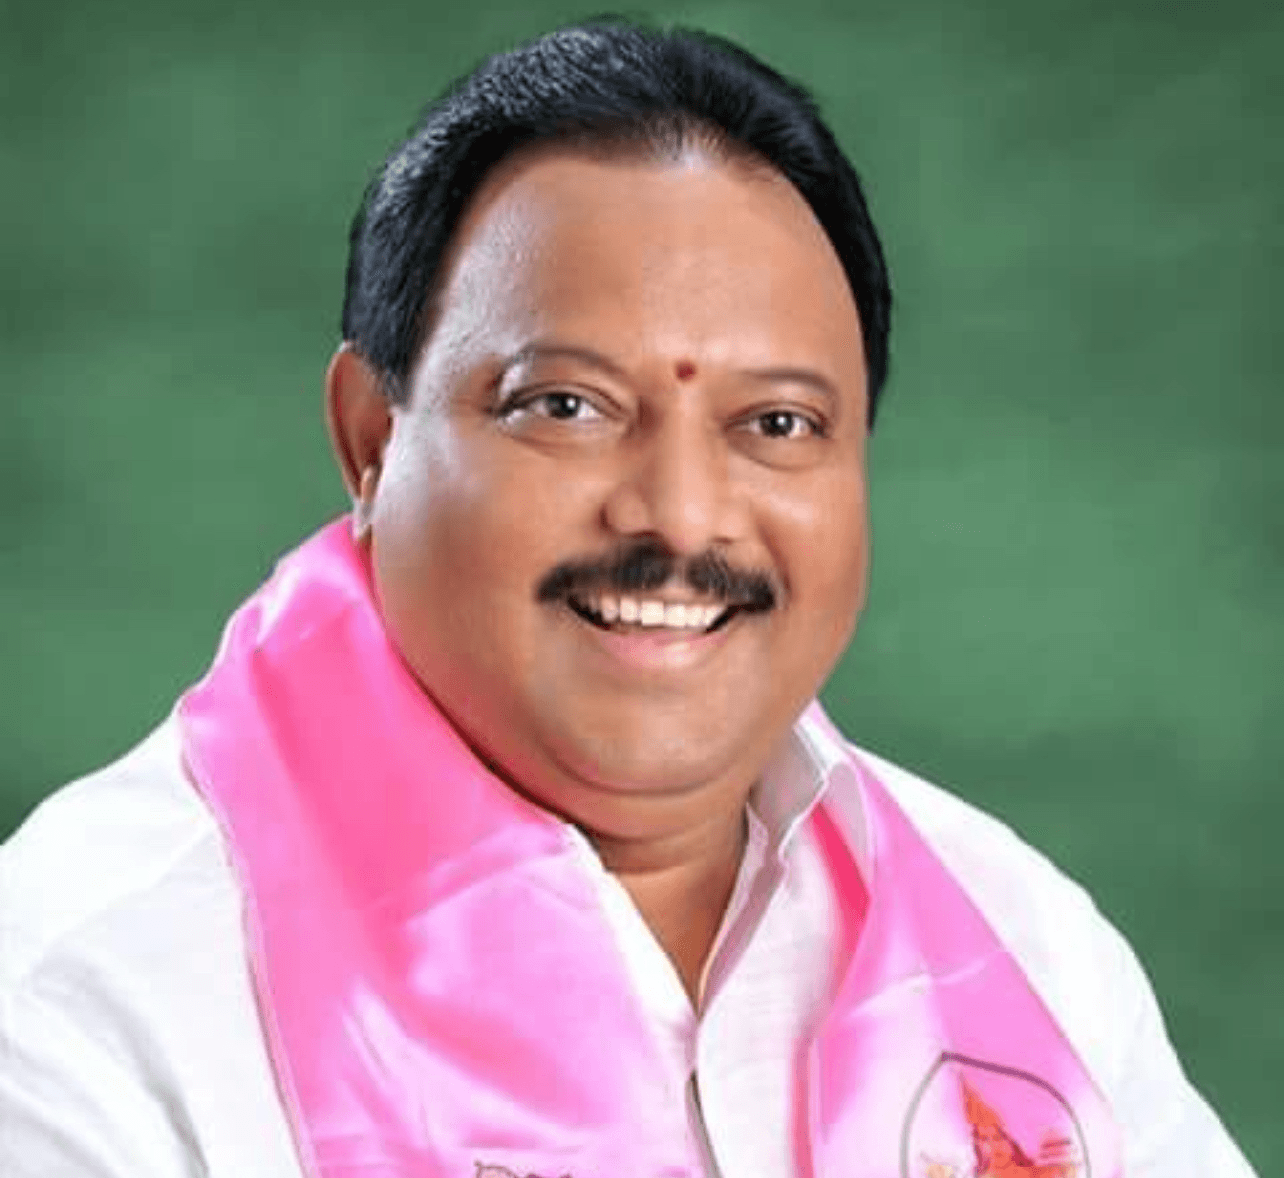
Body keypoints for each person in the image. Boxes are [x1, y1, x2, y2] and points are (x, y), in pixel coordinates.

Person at [0, 18, 1258, 1178]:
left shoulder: (1024, 948)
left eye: (778, 423)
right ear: (371, 439)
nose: (682, 515)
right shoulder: (85, 995)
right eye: (567, 405)